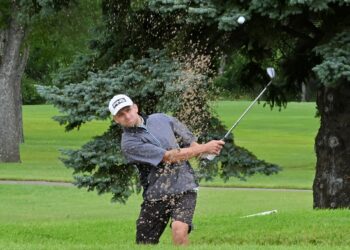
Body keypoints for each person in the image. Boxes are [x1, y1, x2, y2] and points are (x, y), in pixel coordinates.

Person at [108, 94, 224, 246]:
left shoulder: (161, 119)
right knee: (144, 243)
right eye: (121, 115)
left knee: (179, 229)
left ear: (135, 107)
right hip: (156, 194)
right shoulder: (129, 143)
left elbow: (192, 144)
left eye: (128, 110)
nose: (127, 116)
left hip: (184, 185)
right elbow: (169, 157)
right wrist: (205, 147)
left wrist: (207, 151)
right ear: (116, 119)